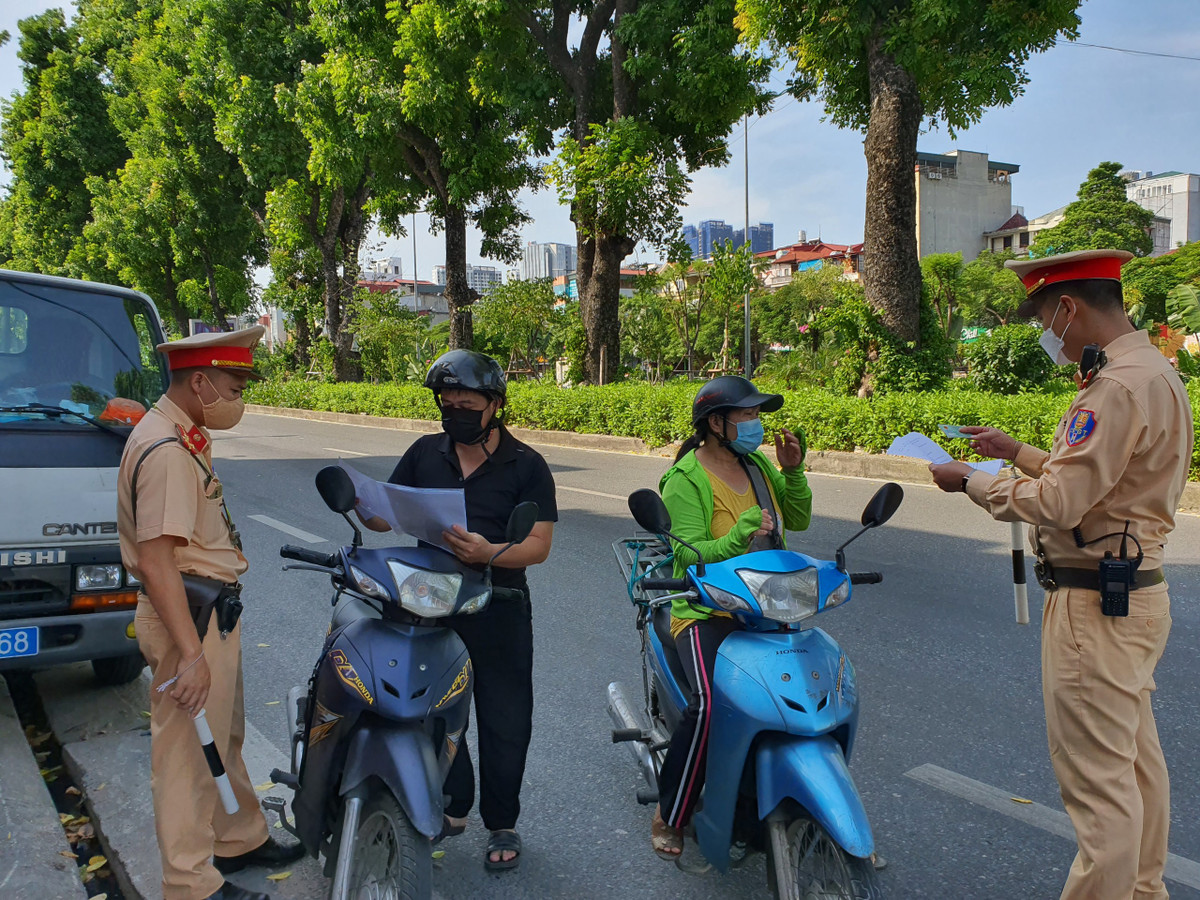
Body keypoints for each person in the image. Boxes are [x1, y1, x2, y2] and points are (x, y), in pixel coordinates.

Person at [929, 249, 1194, 900]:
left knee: (1101, 790)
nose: (1049, 335)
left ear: (1069, 307)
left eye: (1046, 319)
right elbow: (1105, 480)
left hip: (1092, 607)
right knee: (1134, 767)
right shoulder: (1154, 373)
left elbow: (1058, 503)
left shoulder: (1111, 389)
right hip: (1136, 595)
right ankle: (1142, 892)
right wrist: (1015, 451)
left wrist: (971, 480)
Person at [116, 326, 303, 900]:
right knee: (186, 758)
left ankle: (238, 839)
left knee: (225, 735)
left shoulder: (182, 431)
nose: (240, 397)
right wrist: (192, 657)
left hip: (207, 612)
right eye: (234, 383)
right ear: (199, 382)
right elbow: (155, 561)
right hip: (187, 621)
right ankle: (190, 883)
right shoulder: (169, 451)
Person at [358, 349, 557, 871]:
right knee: (426, 702)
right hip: (426, 601)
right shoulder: (426, 453)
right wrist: (362, 502)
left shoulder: (527, 465)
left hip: (499, 602)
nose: (456, 412)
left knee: (504, 713)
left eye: (467, 403)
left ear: (494, 404)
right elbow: (388, 513)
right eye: (447, 404)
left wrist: (487, 552)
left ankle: (502, 821)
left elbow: (538, 545)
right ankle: (452, 801)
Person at [651, 375, 811, 859]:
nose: (755, 424)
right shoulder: (685, 479)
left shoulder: (759, 464)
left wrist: (794, 472)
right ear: (715, 423)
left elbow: (798, 521)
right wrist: (738, 535)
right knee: (709, 706)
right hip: (705, 610)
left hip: (767, 605)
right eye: (745, 415)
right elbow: (688, 559)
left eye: (757, 415)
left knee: (802, 695)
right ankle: (670, 813)